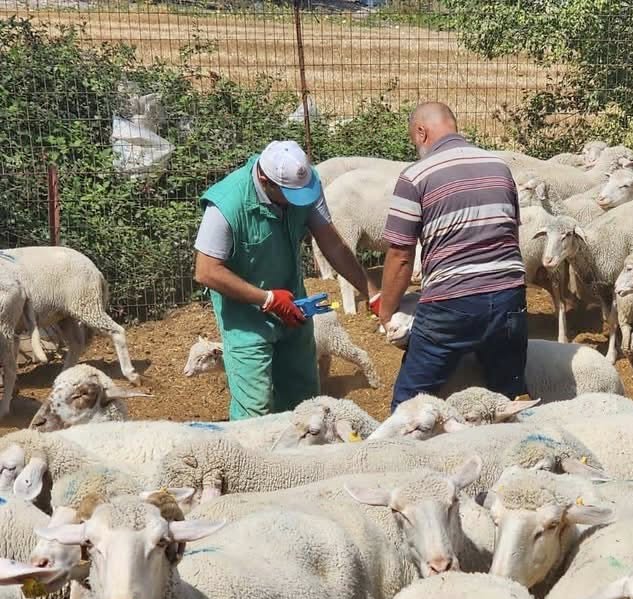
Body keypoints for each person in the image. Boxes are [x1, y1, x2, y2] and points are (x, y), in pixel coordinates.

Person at [193, 139, 371, 420]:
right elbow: (206, 270)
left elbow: (332, 243)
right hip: (246, 319)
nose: (295, 200)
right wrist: (268, 299)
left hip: (293, 310)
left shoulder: (305, 184)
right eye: (288, 194)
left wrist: (372, 292)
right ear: (265, 179)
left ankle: (297, 463)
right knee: (255, 410)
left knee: (304, 401)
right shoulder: (226, 204)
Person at [379, 101, 528, 411]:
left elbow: (401, 255)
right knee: (505, 399)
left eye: (413, 139)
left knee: (410, 405)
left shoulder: (415, 177)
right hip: (508, 298)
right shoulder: (499, 167)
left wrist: (387, 309)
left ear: (421, 132)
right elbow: (510, 235)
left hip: (451, 304)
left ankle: (409, 455)